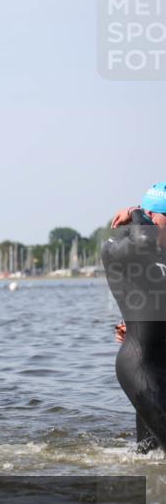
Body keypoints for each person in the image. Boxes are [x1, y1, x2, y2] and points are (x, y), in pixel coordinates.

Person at [105, 182, 166, 453]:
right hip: (141, 365)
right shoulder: (118, 249)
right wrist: (135, 210)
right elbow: (144, 239)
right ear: (151, 218)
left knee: (149, 457)